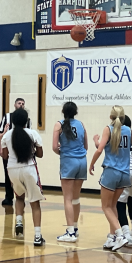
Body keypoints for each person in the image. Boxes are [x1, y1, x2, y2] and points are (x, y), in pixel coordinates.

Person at [90, 106, 132, 251]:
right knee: (113, 206)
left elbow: (100, 149)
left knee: (106, 206)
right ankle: (112, 237)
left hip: (111, 172)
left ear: (111, 117)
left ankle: (120, 236)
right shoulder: (129, 131)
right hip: (124, 174)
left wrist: (91, 164)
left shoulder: (108, 129)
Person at [1, 108, 45, 246]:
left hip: (12, 169)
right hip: (29, 169)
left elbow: (5, 156)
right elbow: (40, 154)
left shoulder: (7, 135)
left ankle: (19, 223)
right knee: (35, 202)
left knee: (19, 197)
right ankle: (37, 236)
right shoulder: (33, 133)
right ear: (27, 120)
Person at [52, 101, 88, 242]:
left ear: (63, 111)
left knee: (67, 198)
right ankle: (75, 227)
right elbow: (86, 146)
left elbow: (55, 147)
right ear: (75, 112)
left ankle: (70, 232)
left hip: (69, 161)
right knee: (76, 198)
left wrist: (63, 152)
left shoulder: (58, 124)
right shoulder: (81, 124)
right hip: (82, 161)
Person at [0, 98, 30, 206]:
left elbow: (29, 134)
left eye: (23, 103)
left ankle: (21, 197)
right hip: (9, 149)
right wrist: (1, 149)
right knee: (8, 175)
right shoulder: (7, 117)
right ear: (14, 104)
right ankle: (8, 197)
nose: (21, 105)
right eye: (19, 103)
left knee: (22, 174)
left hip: (21, 150)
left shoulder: (27, 119)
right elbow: (1, 133)